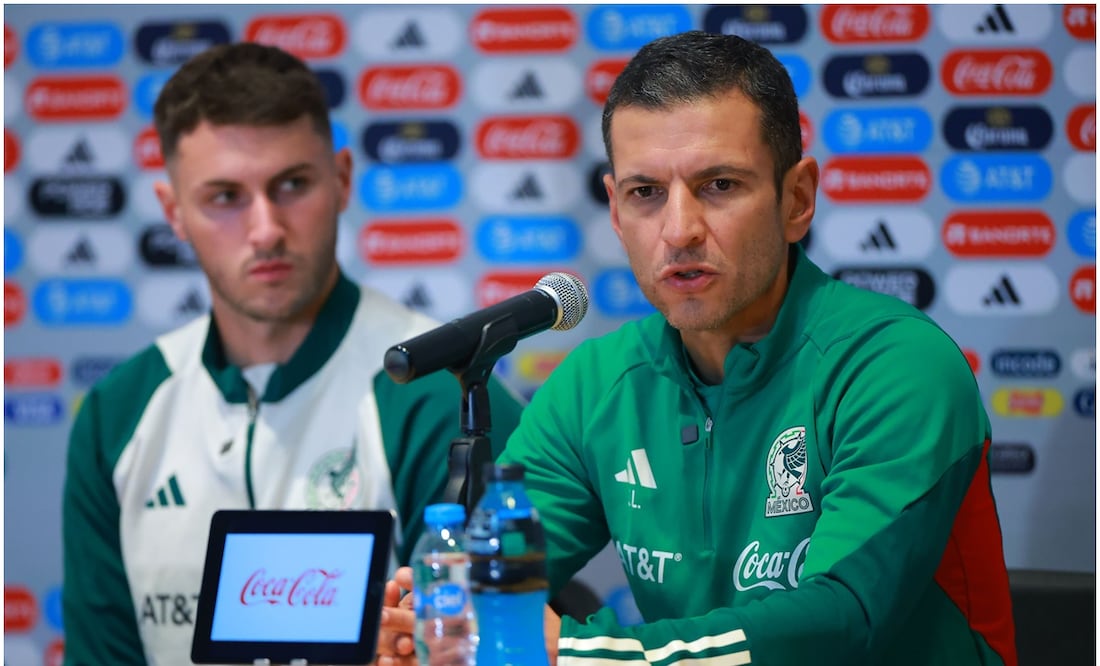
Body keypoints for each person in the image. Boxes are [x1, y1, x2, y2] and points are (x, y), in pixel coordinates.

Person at [377, 30, 1017, 666]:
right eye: (645, 192)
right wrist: (418, 629)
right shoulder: (595, 385)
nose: (679, 231)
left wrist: (577, 653)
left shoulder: (896, 365)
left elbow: (841, 620)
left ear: (797, 200)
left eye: (719, 185)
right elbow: (489, 586)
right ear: (616, 209)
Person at [61, 42, 523, 666]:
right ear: (173, 211)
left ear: (341, 179)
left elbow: (476, 652)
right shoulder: (118, 413)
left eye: (292, 184)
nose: (266, 229)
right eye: (225, 196)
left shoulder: (447, 392)